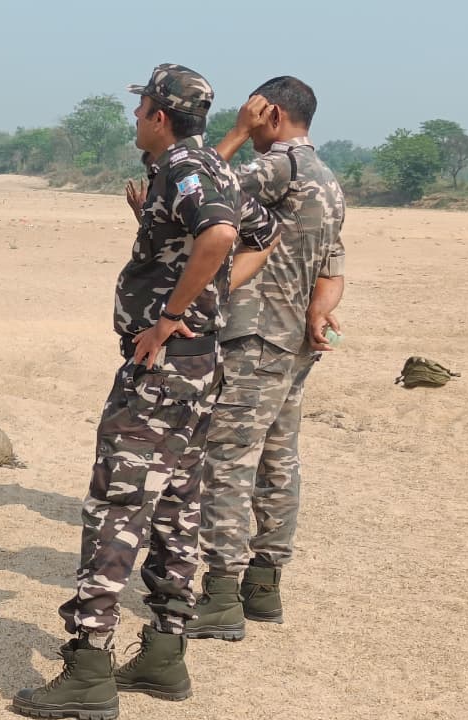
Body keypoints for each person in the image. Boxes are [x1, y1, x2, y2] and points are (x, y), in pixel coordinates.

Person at [13, 64, 277, 720]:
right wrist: (204, 291)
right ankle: (164, 652)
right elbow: (261, 236)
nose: (134, 117)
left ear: (160, 115)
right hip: (199, 370)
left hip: (162, 372)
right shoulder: (215, 169)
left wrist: (173, 314)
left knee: (117, 507)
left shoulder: (186, 169)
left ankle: (88, 668)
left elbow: (221, 235)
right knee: (177, 509)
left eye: (141, 109)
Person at [185, 76, 346, 640]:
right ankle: (264, 584)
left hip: (255, 338)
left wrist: (235, 132)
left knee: (227, 460)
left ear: (271, 113)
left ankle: (221, 596)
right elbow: (333, 268)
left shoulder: (280, 167)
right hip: (293, 343)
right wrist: (318, 311)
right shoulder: (329, 181)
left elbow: (196, 182)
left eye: (255, 111)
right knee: (279, 461)